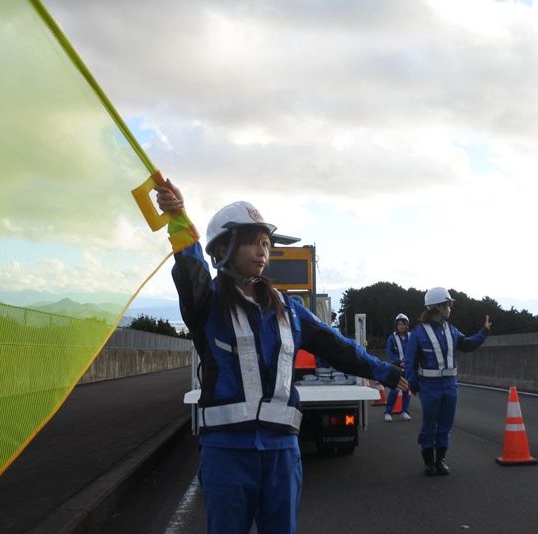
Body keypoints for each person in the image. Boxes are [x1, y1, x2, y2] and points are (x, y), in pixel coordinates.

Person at [154, 183, 409, 534]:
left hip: (282, 451)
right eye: (253, 241)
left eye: (265, 243)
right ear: (224, 248)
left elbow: (337, 346)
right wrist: (178, 216)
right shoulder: (207, 303)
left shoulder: (289, 309)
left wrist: (386, 372)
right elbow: (190, 269)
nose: (263, 251)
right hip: (227, 452)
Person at [404, 287, 491, 476]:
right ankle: (429, 462)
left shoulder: (452, 330)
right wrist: (414, 385)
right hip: (429, 387)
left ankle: (440, 460)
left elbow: (466, 344)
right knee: (429, 425)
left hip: (450, 386)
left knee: (445, 424)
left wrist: (484, 332)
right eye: (448, 305)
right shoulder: (418, 333)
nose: (450, 308)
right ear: (438, 307)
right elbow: (410, 362)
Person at [383, 313, 412, 422]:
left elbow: (415, 350)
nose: (401, 326)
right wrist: (399, 361)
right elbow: (389, 352)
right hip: (396, 367)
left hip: (409, 367)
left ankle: (404, 411)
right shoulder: (392, 338)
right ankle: (388, 412)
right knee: (395, 390)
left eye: (403, 324)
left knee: (406, 390)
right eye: (399, 324)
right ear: (396, 325)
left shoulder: (411, 336)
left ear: (406, 325)